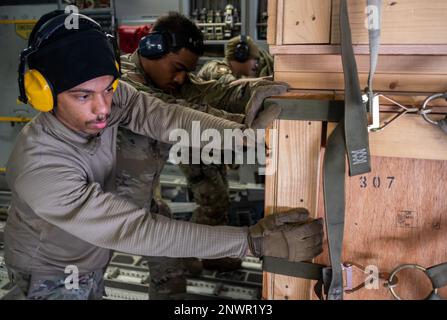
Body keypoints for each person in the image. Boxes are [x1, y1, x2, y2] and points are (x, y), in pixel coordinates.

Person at [4, 10, 324, 300]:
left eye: (108, 90)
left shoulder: (112, 95)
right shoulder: (40, 167)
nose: (103, 108)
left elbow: (165, 116)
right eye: (83, 96)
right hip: (50, 275)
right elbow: (135, 230)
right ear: (42, 93)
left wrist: (241, 134)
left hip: (93, 258)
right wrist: (252, 243)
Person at [116, 12, 287, 298]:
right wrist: (239, 130)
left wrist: (257, 89)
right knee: (78, 279)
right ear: (152, 47)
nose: (182, 77)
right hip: (91, 204)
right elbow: (169, 112)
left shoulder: (173, 81)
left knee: (169, 267)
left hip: (140, 203)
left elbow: (212, 92)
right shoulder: (121, 81)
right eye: (179, 67)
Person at [197, 35, 274, 82]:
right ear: (241, 56)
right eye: (255, 59)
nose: (256, 65)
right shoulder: (215, 67)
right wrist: (264, 81)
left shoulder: (236, 74)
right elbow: (231, 85)